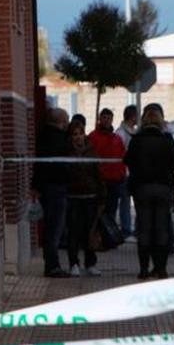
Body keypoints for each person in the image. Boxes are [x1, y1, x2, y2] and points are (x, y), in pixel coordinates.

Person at [124, 102, 174, 280]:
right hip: (163, 188)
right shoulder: (166, 141)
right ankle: (161, 269)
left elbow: (127, 161)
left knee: (144, 228)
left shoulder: (137, 141)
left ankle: (143, 269)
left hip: (142, 188)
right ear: (160, 122)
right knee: (161, 228)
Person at [31, 108, 72, 278]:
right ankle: (52, 266)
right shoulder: (58, 138)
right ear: (61, 121)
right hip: (56, 187)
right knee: (55, 228)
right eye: (66, 120)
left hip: (47, 187)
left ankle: (52, 263)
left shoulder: (43, 136)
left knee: (52, 227)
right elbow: (58, 165)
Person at [64, 118, 104, 276]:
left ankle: (90, 263)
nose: (78, 137)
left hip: (90, 196)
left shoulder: (91, 151)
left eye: (80, 134)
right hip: (73, 196)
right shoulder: (67, 152)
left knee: (90, 230)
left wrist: (102, 195)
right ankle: (73, 263)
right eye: (74, 134)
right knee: (73, 231)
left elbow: (98, 174)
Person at [88, 107, 127, 246]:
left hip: (115, 180)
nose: (106, 120)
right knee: (98, 212)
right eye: (104, 118)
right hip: (100, 181)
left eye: (109, 118)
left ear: (112, 119)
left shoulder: (117, 138)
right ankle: (98, 238)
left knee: (111, 211)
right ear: (100, 119)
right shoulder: (93, 137)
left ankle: (108, 238)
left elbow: (123, 157)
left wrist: (121, 174)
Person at [116, 105, 139, 240]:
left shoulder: (132, 132)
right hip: (125, 173)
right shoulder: (121, 133)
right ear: (133, 116)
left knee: (133, 201)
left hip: (132, 173)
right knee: (125, 201)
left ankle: (132, 228)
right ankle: (126, 229)